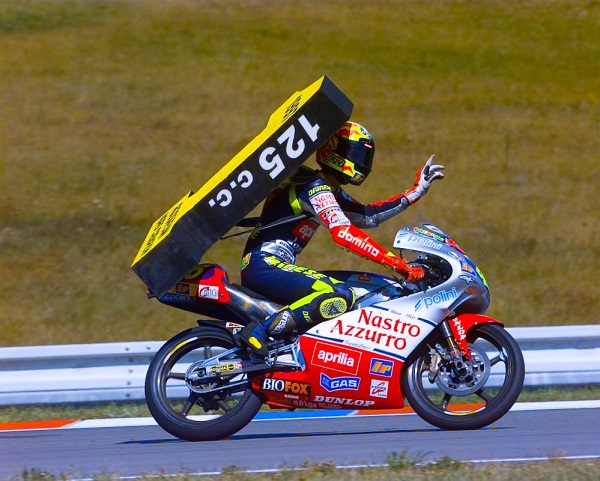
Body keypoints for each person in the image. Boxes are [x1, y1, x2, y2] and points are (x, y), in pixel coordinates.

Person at [236, 121, 444, 359]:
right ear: (334, 151)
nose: (362, 163)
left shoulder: (325, 188)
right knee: (339, 294)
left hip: (268, 266)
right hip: (265, 265)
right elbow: (344, 233)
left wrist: (415, 192)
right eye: (356, 154)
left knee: (352, 291)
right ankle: (259, 331)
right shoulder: (314, 188)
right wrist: (395, 263)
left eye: (366, 156)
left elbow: (367, 216)